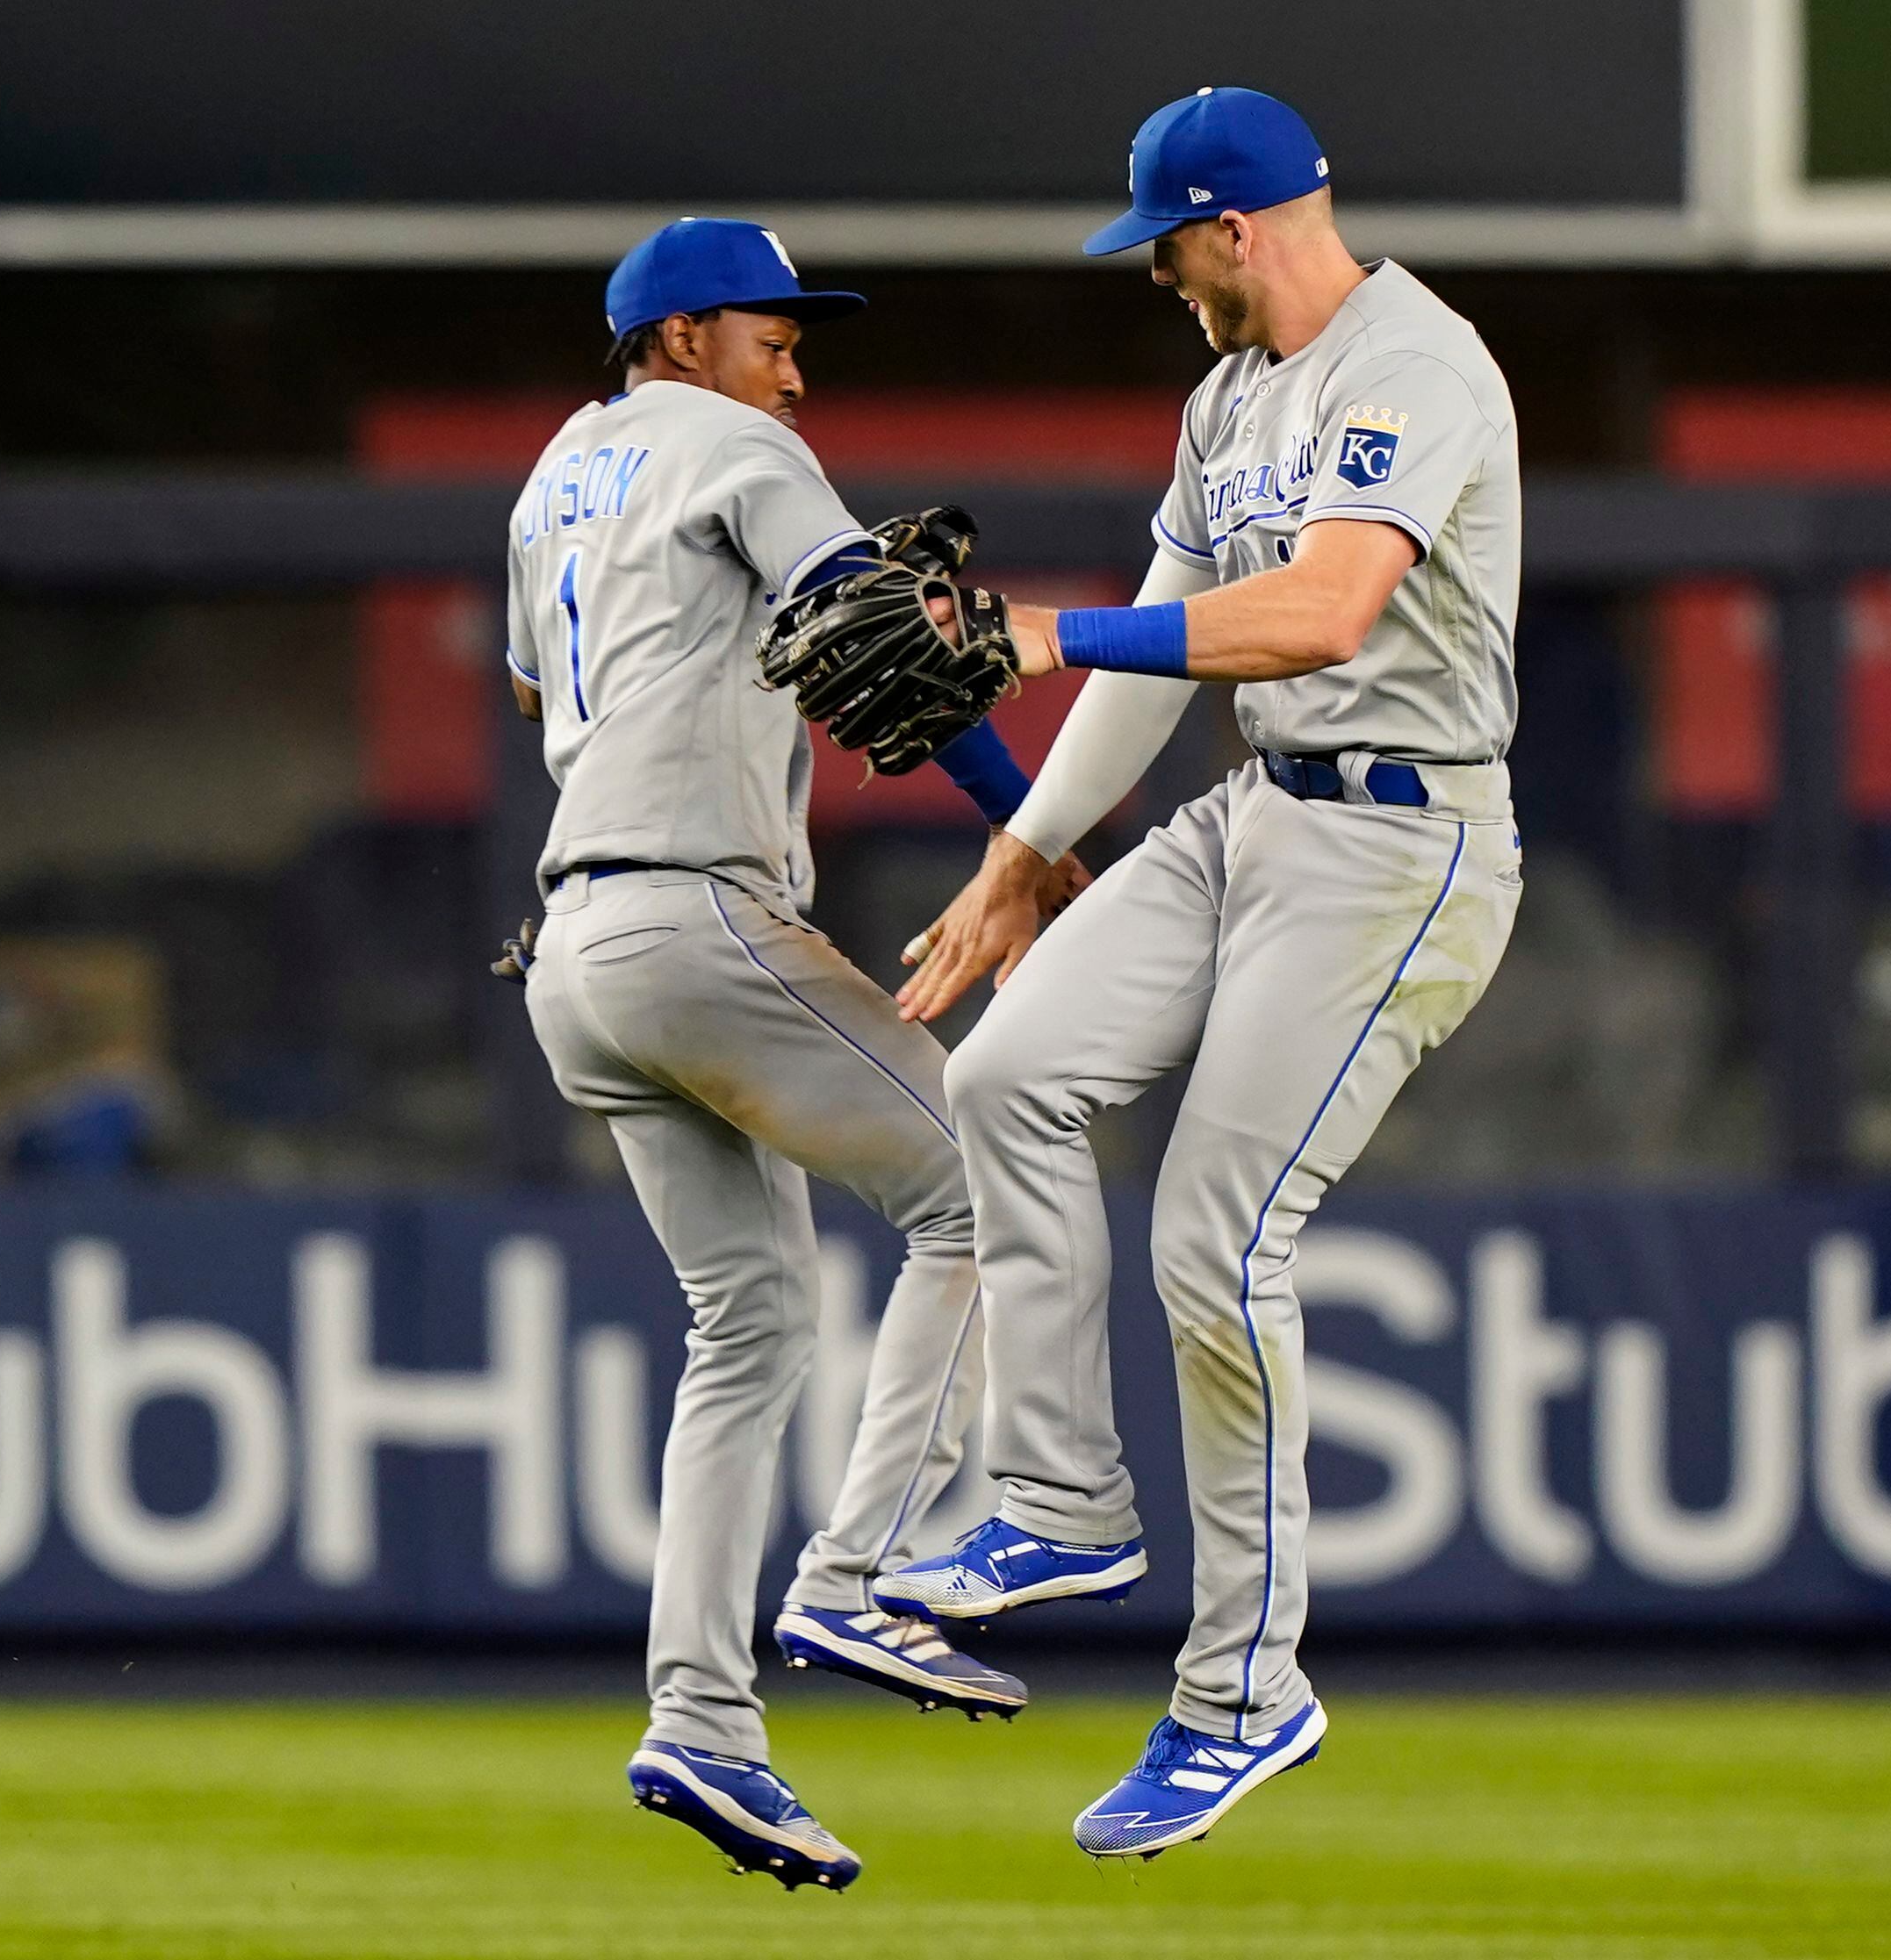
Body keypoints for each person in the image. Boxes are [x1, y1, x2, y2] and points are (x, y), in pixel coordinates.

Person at [878, 89, 1527, 1860]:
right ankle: (1066, 1499)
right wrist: (1023, 856)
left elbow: (1321, 615)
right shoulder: (1226, 397)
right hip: (1261, 809)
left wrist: (1033, 626)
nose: (1157, 277)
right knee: (1002, 1080)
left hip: (1407, 835)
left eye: (1164, 247)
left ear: (1233, 227)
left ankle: (1244, 1692)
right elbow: (1162, 671)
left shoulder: (1417, 363)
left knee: (1213, 1235)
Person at [498, 219, 1082, 1892]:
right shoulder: (737, 440)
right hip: (691, 915)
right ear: (679, 336)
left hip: (572, 956)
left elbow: (560, 678)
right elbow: (874, 639)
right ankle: (866, 1559)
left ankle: (700, 1718)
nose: (797, 364)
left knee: (747, 1321)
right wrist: (1032, 839)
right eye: (773, 332)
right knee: (980, 1181)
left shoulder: (547, 481)